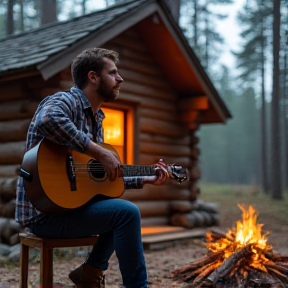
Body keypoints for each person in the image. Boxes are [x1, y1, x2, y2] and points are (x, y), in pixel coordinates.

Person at [15, 48, 169, 288]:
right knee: (126, 213)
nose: (120, 79)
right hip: (45, 213)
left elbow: (99, 180)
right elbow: (48, 120)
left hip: (72, 207)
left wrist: (144, 178)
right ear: (93, 77)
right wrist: (98, 151)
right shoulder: (65, 100)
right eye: (113, 73)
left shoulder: (98, 119)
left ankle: (90, 272)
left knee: (119, 211)